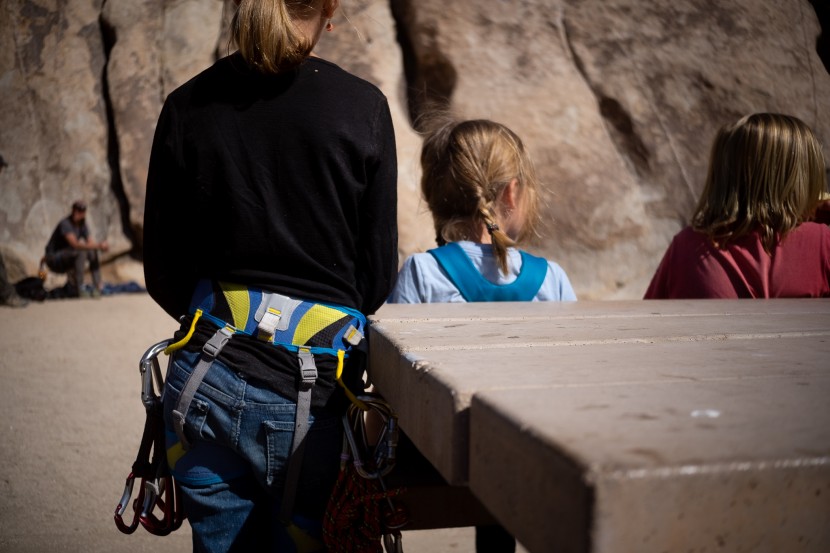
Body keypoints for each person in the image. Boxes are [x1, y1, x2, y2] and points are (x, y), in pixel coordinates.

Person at [142, 0, 398, 551]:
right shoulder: (363, 109)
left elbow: (163, 272)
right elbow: (375, 282)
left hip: (202, 379)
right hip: (313, 396)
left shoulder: (186, 106)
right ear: (329, 9)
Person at [387, 117, 575, 553]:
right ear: (512, 192)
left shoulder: (424, 273)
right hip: (528, 454)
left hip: (438, 459)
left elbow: (392, 383)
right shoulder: (552, 280)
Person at [644, 112, 830, 299]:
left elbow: (648, 320)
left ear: (721, 176)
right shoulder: (823, 243)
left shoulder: (686, 247)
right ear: (803, 176)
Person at [43, 200, 108, 298]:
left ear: (84, 213)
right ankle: (80, 288)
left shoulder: (82, 225)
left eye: (80, 211)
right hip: (54, 258)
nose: (77, 213)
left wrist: (101, 246)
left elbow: (90, 242)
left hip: (68, 255)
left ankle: (98, 286)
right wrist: (98, 245)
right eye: (76, 210)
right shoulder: (65, 223)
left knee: (92, 252)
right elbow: (75, 244)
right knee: (81, 251)